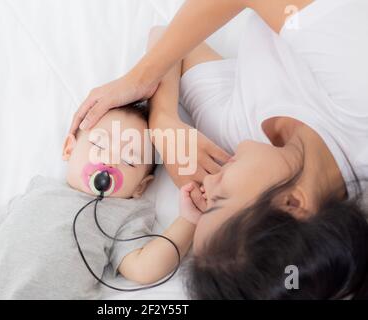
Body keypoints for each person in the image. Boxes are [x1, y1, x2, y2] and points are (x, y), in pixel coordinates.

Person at [70, 0, 368, 299]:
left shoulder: (231, 141)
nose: (207, 183)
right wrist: (139, 79)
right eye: (220, 199)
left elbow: (171, 41)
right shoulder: (358, 107)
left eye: (206, 205)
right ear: (292, 203)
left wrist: (164, 121)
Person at [0, 103, 205, 299]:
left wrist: (188, 220)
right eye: (98, 145)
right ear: (70, 147)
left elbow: (143, 267)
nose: (108, 160)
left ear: (140, 187)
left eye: (129, 159)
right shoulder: (40, 190)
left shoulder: (122, 213)